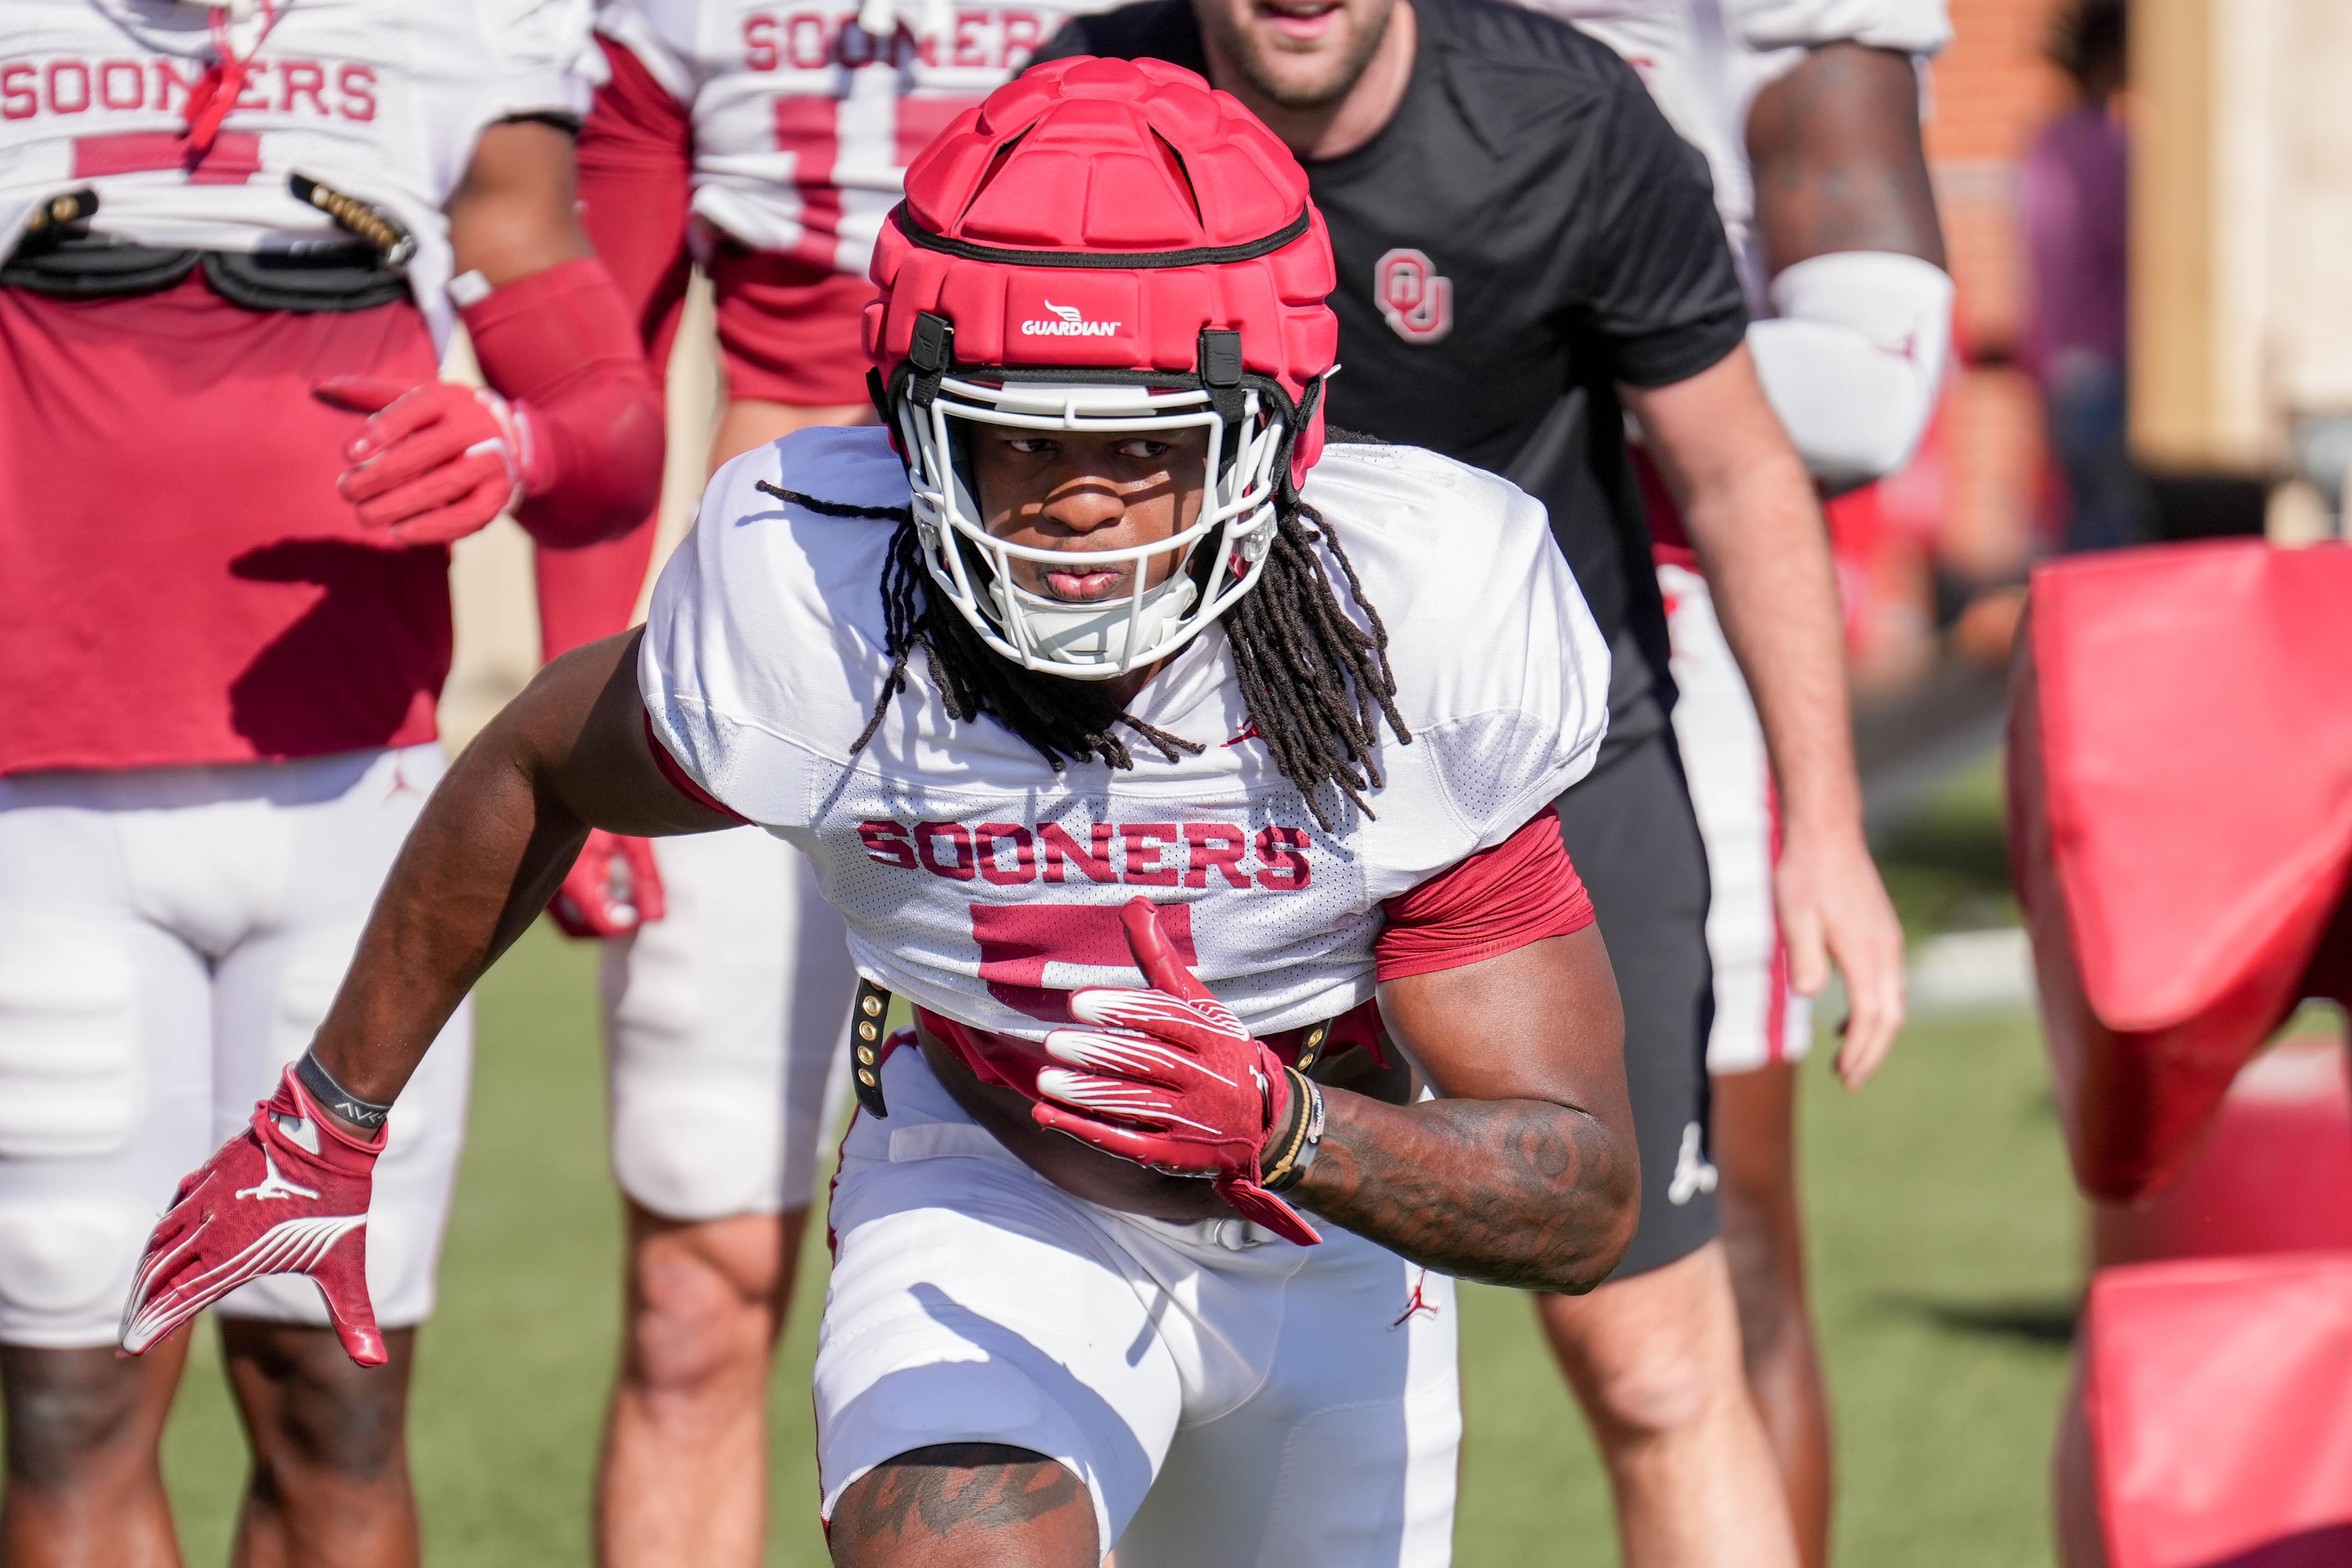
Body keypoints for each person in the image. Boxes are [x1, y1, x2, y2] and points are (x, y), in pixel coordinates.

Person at [120, 57, 1642, 1566]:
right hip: (993, 1182)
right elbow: (536, 758)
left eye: (1141, 444)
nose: (1074, 502)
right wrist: (329, 1109)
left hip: (1321, 1239)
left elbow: (1580, 1199)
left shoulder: (1412, 617)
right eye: (1016, 433)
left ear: (1276, 431)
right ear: (912, 418)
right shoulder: (823, 595)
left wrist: (1285, 1123)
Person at [1033, 2, 1907, 1562]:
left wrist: (1822, 825)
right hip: (1196, 790)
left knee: (1649, 1356)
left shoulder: (1561, 121)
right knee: (1139, 1344)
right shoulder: (1085, 110)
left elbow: (1735, 467)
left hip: (1536, 787)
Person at [0, 2, 662, 1562]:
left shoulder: (447, 37)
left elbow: (613, 426)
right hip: (38, 819)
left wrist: (516, 442)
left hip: (351, 817)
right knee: (66, 1406)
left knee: (330, 1395)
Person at [553, 2, 1109, 1558]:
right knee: (695, 1283)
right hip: (771, 658)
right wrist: (599, 700)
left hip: (1063, 687)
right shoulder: (673, 25)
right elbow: (597, 385)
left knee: (1108, 1257)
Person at [1516, 2, 1953, 1558]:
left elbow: (1870, 380)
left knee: (1712, 1248)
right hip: (1309, 623)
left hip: (1662, 634)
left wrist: (1498, 314)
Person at [2022, 0, 2140, 555]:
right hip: (2107, 367)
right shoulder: (2110, 150)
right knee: (2111, 531)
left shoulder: (2047, 146)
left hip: (2059, 369)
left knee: (2076, 521)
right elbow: (2132, 246)